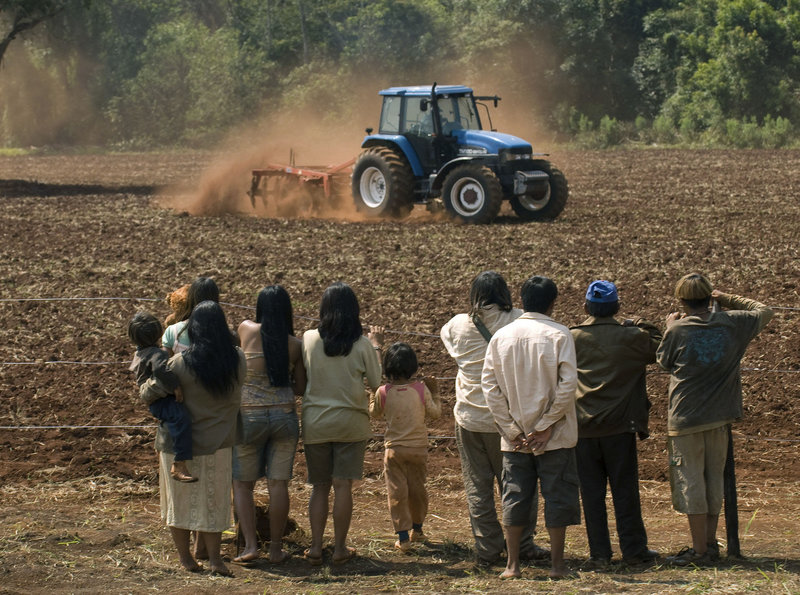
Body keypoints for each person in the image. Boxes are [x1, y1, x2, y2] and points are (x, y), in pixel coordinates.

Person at [658, 273, 773, 566]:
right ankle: (710, 544)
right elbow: (764, 310)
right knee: (713, 482)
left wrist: (670, 326)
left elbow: (664, 362)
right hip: (720, 417)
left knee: (691, 484)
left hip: (685, 419)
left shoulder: (678, 330)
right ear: (710, 298)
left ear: (681, 301)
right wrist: (728, 298)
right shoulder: (733, 323)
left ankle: (698, 552)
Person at [440, 271, 546, 566]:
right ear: (505, 293)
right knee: (518, 485)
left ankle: (487, 550)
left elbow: (449, 345)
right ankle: (523, 545)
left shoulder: (456, 325)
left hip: (469, 417)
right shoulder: (520, 319)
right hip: (508, 421)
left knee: (478, 487)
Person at [482, 275, 580, 579]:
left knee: (514, 497)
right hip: (556, 436)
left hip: (516, 440)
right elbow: (568, 385)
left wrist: (512, 429)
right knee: (558, 496)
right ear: (553, 303)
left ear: (522, 301)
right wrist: (547, 425)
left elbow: (490, 386)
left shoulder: (501, 337)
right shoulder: (560, 335)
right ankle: (557, 565)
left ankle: (512, 565)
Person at [141, 300, 247, 576]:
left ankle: (186, 558)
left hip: (178, 447)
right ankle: (215, 559)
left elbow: (148, 393)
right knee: (214, 502)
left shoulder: (178, 364)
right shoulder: (237, 359)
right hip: (219, 443)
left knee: (179, 502)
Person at [570, 280, 661, 567]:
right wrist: (642, 323)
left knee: (591, 495)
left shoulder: (571, 337)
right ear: (617, 307)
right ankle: (634, 551)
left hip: (582, 429)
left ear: (586, 307)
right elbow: (661, 348)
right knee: (625, 492)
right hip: (620, 427)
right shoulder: (632, 336)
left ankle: (599, 554)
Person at [301, 282, 383, 566]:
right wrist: (376, 346)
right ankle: (339, 549)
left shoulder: (309, 338)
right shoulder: (361, 345)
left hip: (316, 422)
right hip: (351, 423)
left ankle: (314, 548)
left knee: (319, 487)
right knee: (343, 486)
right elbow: (376, 383)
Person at [232, 285, 307, 565]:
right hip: (283, 417)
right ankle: (276, 549)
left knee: (242, 485)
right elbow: (300, 387)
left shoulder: (245, 328)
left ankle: (250, 546)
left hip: (248, 417)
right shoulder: (295, 345)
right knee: (278, 485)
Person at [369, 342, 442, 553]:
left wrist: (370, 397)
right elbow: (435, 413)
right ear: (413, 367)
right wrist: (435, 393)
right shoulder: (420, 389)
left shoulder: (384, 391)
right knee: (418, 489)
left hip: (394, 450)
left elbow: (375, 414)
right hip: (418, 448)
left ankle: (403, 538)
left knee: (397, 492)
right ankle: (417, 530)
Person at [128, 311, 196, 483]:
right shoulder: (156, 354)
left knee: (169, 423)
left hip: (154, 400)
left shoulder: (141, 352)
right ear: (159, 333)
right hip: (162, 399)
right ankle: (179, 463)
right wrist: (176, 386)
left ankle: (162, 449)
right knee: (181, 421)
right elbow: (160, 370)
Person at [162, 277, 221, 356]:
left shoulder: (172, 332)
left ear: (190, 299)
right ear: (216, 299)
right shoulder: (226, 335)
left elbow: (165, 364)